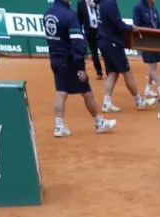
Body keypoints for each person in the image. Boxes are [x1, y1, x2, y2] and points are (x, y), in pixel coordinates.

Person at [43, 0, 116, 137]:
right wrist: (80, 67)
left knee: (61, 92)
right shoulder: (70, 15)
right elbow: (76, 41)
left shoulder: (47, 13)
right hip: (70, 61)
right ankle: (99, 123)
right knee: (87, 93)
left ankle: (59, 127)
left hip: (55, 59)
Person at [96, 0, 152, 113]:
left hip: (103, 40)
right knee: (127, 72)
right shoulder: (109, 3)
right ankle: (139, 101)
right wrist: (131, 28)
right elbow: (118, 24)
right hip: (112, 42)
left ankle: (106, 103)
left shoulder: (101, 3)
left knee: (113, 73)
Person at [132, 0, 160, 101]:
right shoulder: (138, 8)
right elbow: (136, 24)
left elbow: (158, 24)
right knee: (152, 65)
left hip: (154, 40)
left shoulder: (154, 9)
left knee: (154, 64)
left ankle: (148, 88)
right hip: (145, 40)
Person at [76, 0, 103, 79]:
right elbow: (79, 19)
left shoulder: (98, 2)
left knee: (105, 52)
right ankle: (99, 72)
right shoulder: (81, 3)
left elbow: (105, 11)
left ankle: (110, 71)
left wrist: (95, 6)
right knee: (94, 53)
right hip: (90, 31)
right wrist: (80, 34)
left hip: (101, 30)